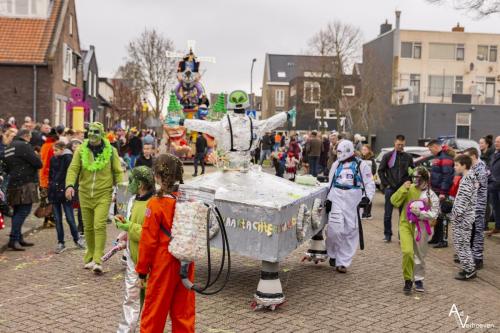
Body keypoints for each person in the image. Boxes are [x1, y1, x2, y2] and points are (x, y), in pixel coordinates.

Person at [135, 154, 195, 333]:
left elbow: (148, 241)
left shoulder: (156, 203)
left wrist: (142, 271)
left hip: (164, 263)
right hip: (186, 261)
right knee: (184, 314)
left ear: (158, 176)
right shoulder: (189, 199)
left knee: (154, 312)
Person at [65, 122, 123, 274]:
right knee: (88, 227)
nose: (92, 134)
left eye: (95, 131)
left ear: (102, 134)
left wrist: (119, 191)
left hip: (103, 193)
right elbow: (73, 169)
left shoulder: (111, 151)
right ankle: (90, 256)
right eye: (89, 131)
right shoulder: (80, 150)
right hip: (84, 193)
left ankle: (98, 260)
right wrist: (70, 185)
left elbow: (118, 172)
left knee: (99, 225)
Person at [326, 140, 376, 273]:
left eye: (341, 152)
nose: (339, 154)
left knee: (350, 231)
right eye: (338, 152)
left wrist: (367, 198)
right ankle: (332, 253)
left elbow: (369, 183)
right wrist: (328, 199)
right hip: (337, 198)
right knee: (334, 229)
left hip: (353, 201)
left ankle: (342, 262)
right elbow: (330, 182)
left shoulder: (362, 165)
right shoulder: (336, 165)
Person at [115, 166, 155, 333]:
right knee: (130, 297)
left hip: (149, 263)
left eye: (131, 180)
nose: (128, 183)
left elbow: (149, 234)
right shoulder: (133, 199)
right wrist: (124, 234)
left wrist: (129, 227)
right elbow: (132, 225)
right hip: (133, 259)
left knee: (148, 299)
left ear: (140, 184)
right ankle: (125, 330)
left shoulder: (153, 203)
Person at [390, 167, 439, 294]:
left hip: (421, 228)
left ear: (425, 179)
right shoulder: (408, 188)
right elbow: (394, 201)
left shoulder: (430, 194)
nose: (415, 180)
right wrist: (402, 189)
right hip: (406, 224)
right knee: (407, 252)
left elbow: (435, 213)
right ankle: (408, 280)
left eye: (418, 178)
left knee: (420, 256)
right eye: (414, 177)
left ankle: (418, 279)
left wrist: (421, 214)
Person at [4, 129, 42, 250]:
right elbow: (37, 163)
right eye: (29, 138)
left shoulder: (9, 147)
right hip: (25, 183)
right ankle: (13, 239)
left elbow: (5, 166)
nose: (30, 140)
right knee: (23, 211)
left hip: (13, 183)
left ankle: (18, 237)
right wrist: (36, 156)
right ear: (26, 136)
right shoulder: (24, 146)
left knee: (17, 211)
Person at [48, 141, 84, 254]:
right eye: (53, 150)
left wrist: (70, 188)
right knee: (58, 219)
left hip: (65, 192)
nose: (54, 153)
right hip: (54, 192)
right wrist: (50, 186)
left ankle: (76, 239)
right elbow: (51, 175)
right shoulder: (53, 159)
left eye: (56, 150)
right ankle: (61, 242)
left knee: (69, 218)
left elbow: (70, 175)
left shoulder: (68, 158)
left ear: (63, 149)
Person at [378, 135, 414, 242]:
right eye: (398, 144)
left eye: (402, 145)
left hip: (403, 189)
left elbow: (412, 171)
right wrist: (386, 184)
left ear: (404, 143)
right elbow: (380, 171)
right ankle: (387, 235)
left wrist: (409, 181)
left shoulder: (408, 157)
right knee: (388, 213)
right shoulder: (388, 156)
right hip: (390, 188)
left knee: (402, 214)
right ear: (394, 143)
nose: (400, 146)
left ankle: (401, 236)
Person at [451, 154, 477, 280]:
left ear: (464, 165)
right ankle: (468, 267)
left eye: (456, 165)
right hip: (464, 217)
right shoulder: (467, 177)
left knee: (462, 243)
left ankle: (469, 270)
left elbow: (463, 201)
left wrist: (455, 216)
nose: (455, 167)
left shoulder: (467, 179)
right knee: (462, 243)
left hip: (463, 218)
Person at [427, 139, 455, 248]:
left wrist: (443, 192)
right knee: (437, 215)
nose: (430, 152)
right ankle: (436, 237)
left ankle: (443, 240)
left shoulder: (445, 158)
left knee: (443, 216)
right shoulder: (439, 157)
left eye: (430, 149)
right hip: (436, 190)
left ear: (435, 146)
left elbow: (447, 176)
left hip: (442, 192)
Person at [462, 148, 488, 269]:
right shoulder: (473, 168)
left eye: (467, 157)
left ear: (473, 156)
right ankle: (471, 255)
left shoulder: (480, 169)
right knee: (471, 231)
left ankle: (478, 258)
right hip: (471, 205)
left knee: (477, 231)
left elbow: (475, 187)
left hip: (478, 206)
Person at [39, 128, 58, 228]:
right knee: (51, 200)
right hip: (49, 177)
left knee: (45, 200)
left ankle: (46, 220)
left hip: (42, 177)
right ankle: (50, 219)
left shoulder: (44, 146)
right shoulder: (52, 146)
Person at [486, 136, 500, 236]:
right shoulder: (494, 154)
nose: (496, 143)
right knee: (495, 207)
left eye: (499, 142)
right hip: (493, 185)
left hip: (498, 184)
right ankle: (498, 227)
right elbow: (490, 167)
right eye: (496, 142)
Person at [360, 144, 377, 220]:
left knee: (369, 196)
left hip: (369, 180)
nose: (363, 151)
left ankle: (368, 213)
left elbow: (374, 170)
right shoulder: (360, 159)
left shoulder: (372, 159)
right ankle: (363, 212)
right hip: (361, 181)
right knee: (362, 196)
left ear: (369, 150)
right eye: (362, 149)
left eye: (365, 149)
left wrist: (370, 177)